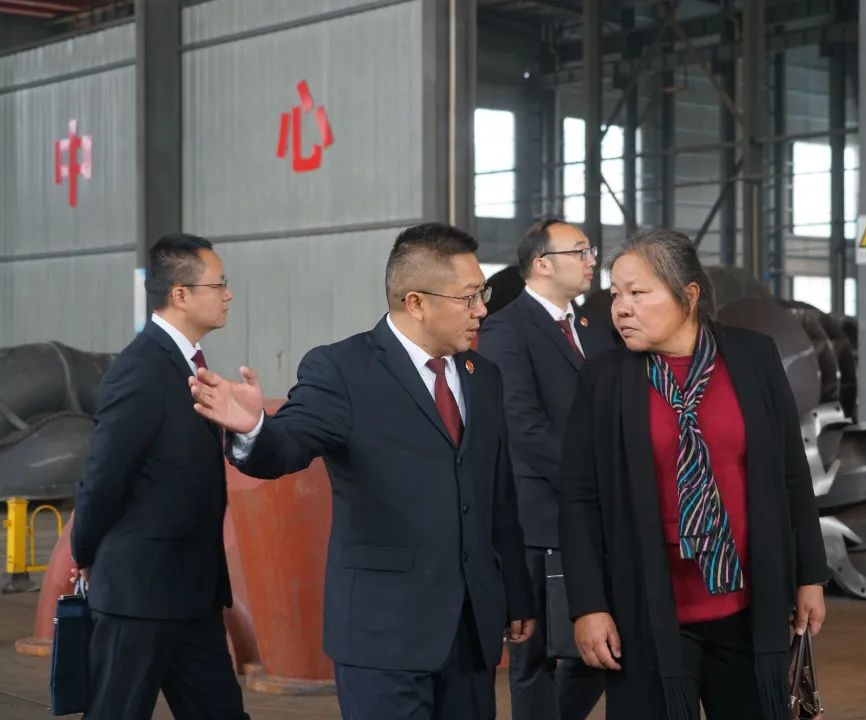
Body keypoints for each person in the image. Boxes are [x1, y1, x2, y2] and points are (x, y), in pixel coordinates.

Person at [189, 222, 535, 720]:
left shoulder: (484, 378)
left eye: (481, 294)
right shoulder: (343, 370)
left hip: (469, 633)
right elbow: (287, 446)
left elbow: (498, 495)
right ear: (416, 302)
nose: (481, 309)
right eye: (469, 297)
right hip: (383, 637)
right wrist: (255, 429)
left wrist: (515, 594)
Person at [559, 229, 829, 720]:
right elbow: (580, 499)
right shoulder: (606, 379)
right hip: (646, 610)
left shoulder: (753, 357)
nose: (621, 309)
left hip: (748, 606)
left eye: (638, 293)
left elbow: (792, 473)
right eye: (616, 294)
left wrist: (810, 575)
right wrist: (588, 606)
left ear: (688, 295)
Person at [71, 233, 248, 720]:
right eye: (219, 284)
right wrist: (85, 553)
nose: (229, 294)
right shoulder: (142, 369)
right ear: (180, 295)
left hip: (193, 593)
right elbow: (103, 476)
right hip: (140, 596)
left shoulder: (188, 364)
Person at [479, 219, 610, 720]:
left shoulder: (591, 327)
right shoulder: (506, 328)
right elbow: (523, 427)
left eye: (590, 250)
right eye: (579, 251)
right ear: (542, 264)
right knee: (534, 658)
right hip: (539, 520)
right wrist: (591, 483)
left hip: (589, 516)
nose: (591, 260)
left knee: (593, 651)